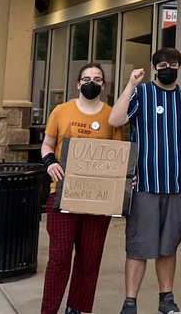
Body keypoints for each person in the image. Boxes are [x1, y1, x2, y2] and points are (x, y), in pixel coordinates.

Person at [109, 48, 181, 314]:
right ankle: (130, 301)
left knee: (168, 246)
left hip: (177, 185)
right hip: (145, 185)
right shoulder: (142, 93)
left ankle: (166, 299)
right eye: (161, 64)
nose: (166, 67)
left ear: (179, 66)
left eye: (171, 63)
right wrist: (130, 84)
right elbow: (115, 119)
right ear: (154, 67)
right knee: (138, 247)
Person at [41, 62, 122, 314]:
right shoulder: (61, 111)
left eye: (97, 79)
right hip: (62, 194)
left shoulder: (111, 116)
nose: (91, 83)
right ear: (78, 84)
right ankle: (49, 309)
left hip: (97, 200)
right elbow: (47, 144)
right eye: (86, 79)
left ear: (104, 85)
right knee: (59, 256)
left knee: (90, 259)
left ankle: (77, 308)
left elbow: (116, 157)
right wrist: (50, 162)